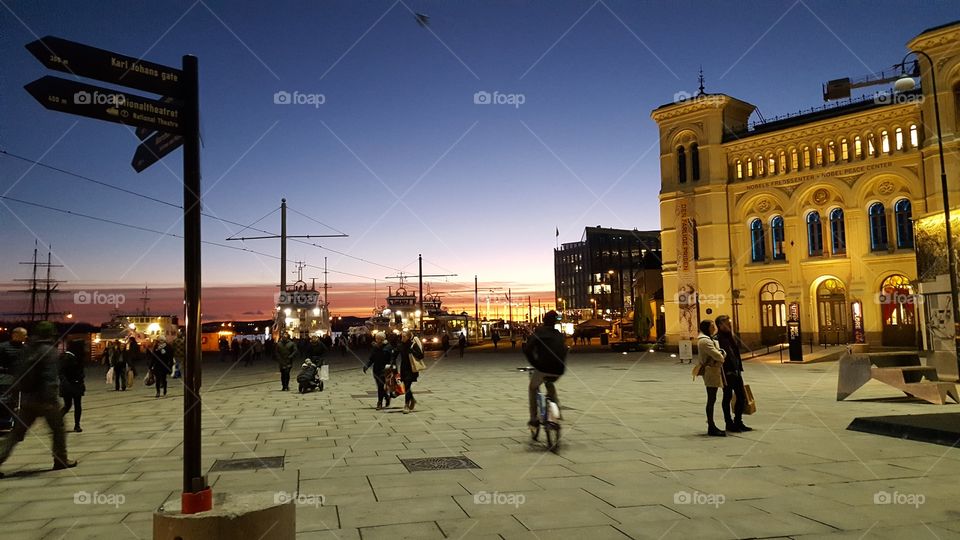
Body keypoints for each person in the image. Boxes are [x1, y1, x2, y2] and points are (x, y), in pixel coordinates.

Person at [0, 321, 77, 478]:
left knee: (16, 434)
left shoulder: (27, 349)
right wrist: (51, 398)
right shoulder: (49, 351)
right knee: (58, 429)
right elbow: (50, 377)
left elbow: (18, 373)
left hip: (28, 399)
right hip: (45, 400)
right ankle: (60, 460)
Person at [523, 311, 566, 428]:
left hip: (543, 367)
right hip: (559, 369)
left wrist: (535, 363)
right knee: (550, 383)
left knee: (532, 387)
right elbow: (564, 351)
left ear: (544, 320)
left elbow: (527, 350)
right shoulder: (559, 335)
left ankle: (533, 419)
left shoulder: (539, 333)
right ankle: (557, 411)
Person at [716, 315, 752, 433]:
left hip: (736, 371)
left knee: (741, 397)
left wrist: (739, 368)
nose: (729, 326)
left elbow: (735, 354)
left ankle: (738, 421)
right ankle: (729, 422)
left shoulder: (730, 337)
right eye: (726, 324)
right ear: (720, 325)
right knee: (727, 397)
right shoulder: (718, 339)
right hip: (726, 372)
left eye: (729, 323)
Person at [694, 319, 727, 437]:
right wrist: (723, 353)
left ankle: (712, 425)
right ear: (707, 327)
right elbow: (718, 355)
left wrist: (720, 353)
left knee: (712, 398)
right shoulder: (704, 341)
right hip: (711, 371)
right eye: (712, 325)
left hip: (714, 370)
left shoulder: (709, 339)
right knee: (711, 398)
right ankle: (711, 426)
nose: (714, 327)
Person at [0, 328, 28, 432]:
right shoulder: (3, 347)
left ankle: (15, 424)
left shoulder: (26, 348)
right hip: (5, 380)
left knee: (17, 404)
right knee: (5, 402)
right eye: (24, 335)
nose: (26, 337)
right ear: (15, 335)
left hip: (21, 380)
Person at [393, 330, 424, 413]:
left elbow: (421, 356)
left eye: (404, 336)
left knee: (407, 385)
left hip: (412, 369)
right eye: (402, 336)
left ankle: (406, 404)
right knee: (407, 387)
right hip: (404, 368)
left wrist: (412, 351)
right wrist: (392, 363)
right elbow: (395, 354)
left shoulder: (413, 345)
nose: (402, 338)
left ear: (408, 337)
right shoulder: (400, 345)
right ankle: (412, 399)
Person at [59, 340, 86, 433]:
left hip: (76, 384)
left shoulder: (76, 356)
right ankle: (58, 419)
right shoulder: (67, 357)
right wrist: (65, 382)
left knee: (75, 405)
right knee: (69, 405)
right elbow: (61, 372)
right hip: (69, 385)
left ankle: (77, 424)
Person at [364, 333, 393, 410]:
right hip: (376, 369)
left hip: (385, 369)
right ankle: (386, 397)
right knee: (379, 386)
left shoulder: (388, 347)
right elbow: (372, 358)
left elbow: (392, 358)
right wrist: (367, 365)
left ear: (382, 339)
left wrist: (392, 367)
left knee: (380, 385)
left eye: (378, 338)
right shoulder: (375, 347)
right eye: (376, 338)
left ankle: (379, 402)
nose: (377, 340)